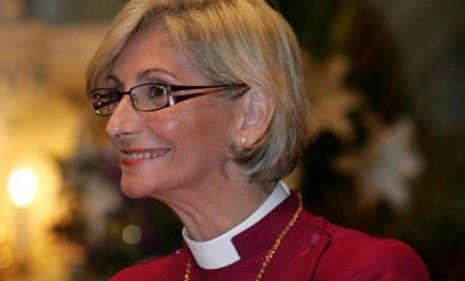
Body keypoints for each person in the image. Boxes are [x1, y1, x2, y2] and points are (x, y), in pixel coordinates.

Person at [86, 0, 430, 280]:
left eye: (157, 90)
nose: (116, 125)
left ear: (251, 115)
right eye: (115, 95)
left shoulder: (364, 270)